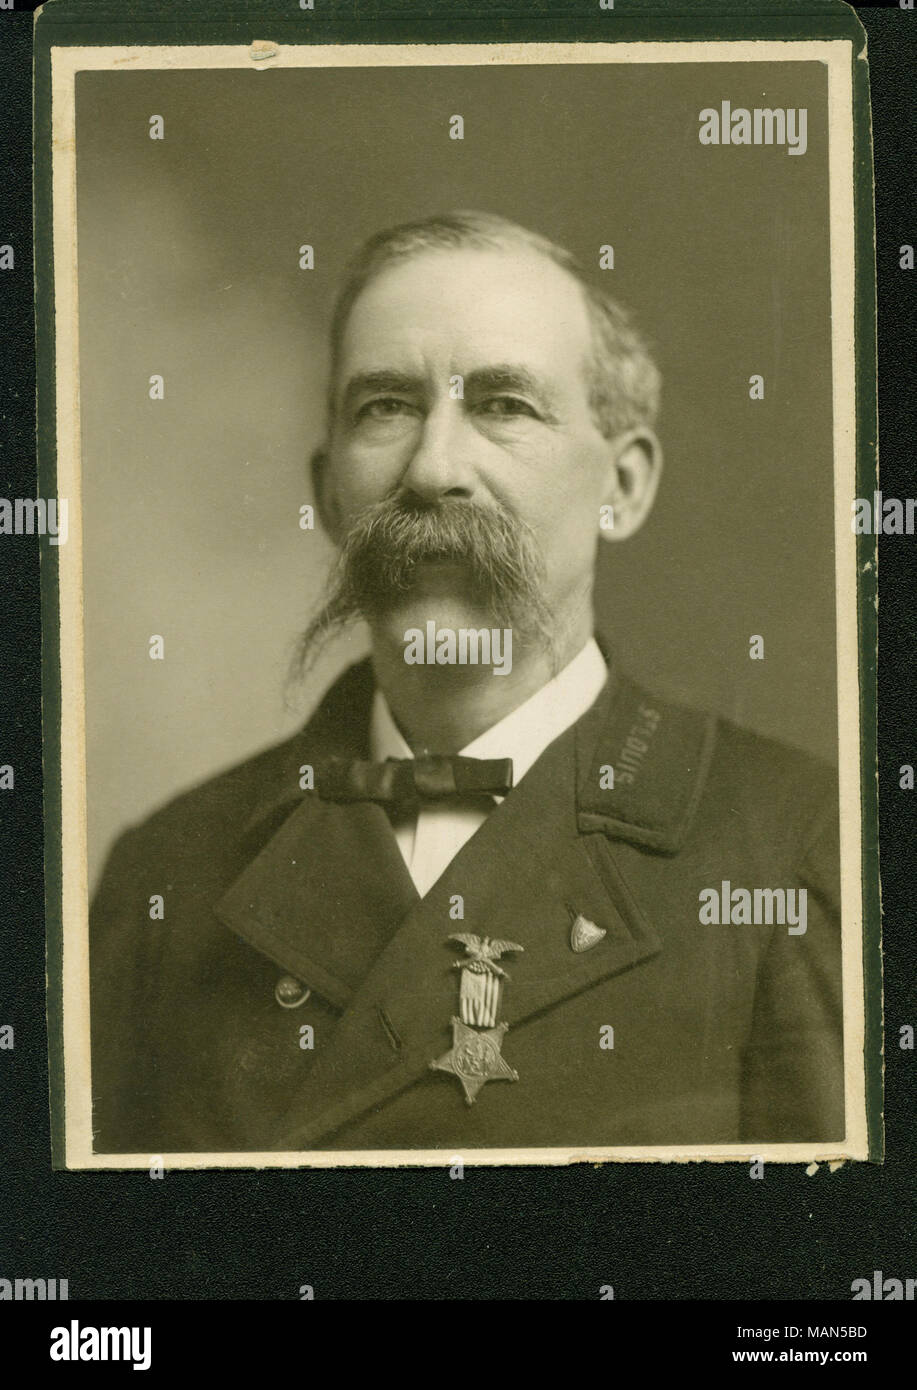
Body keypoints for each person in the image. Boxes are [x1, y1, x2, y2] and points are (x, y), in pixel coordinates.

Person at [89, 210, 843, 1155]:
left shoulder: (795, 848)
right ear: (328, 493)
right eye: (387, 407)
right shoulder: (166, 875)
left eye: (503, 406)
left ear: (624, 485)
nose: (434, 468)